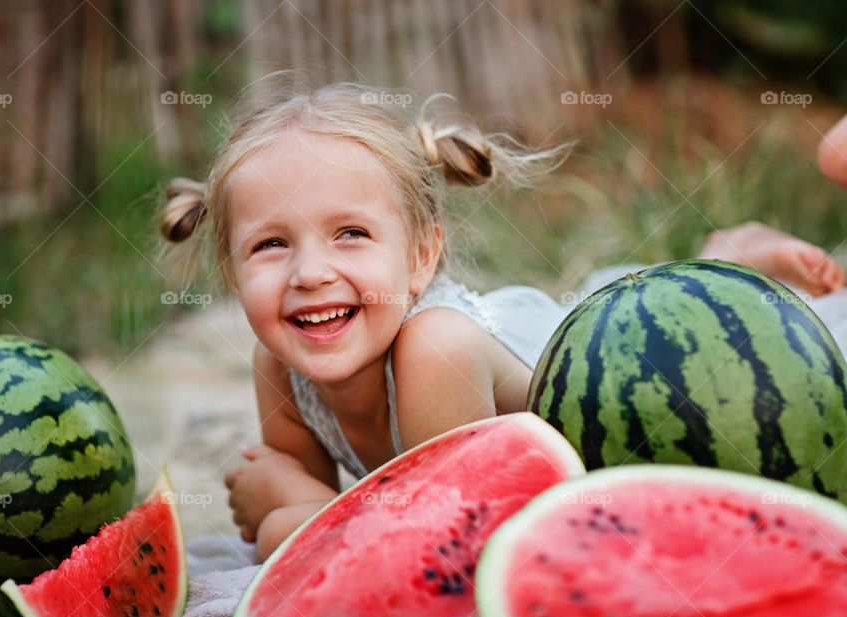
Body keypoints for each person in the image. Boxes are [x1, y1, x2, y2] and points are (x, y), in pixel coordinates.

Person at [158, 82, 845, 562]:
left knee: (684, 323)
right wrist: (290, 503)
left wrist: (296, 514)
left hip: (608, 351)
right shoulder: (277, 359)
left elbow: (435, 542)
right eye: (270, 245)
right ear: (231, 270)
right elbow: (296, 493)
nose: (308, 273)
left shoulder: (434, 348)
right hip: (575, 325)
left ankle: (727, 255)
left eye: (349, 235)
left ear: (423, 256)